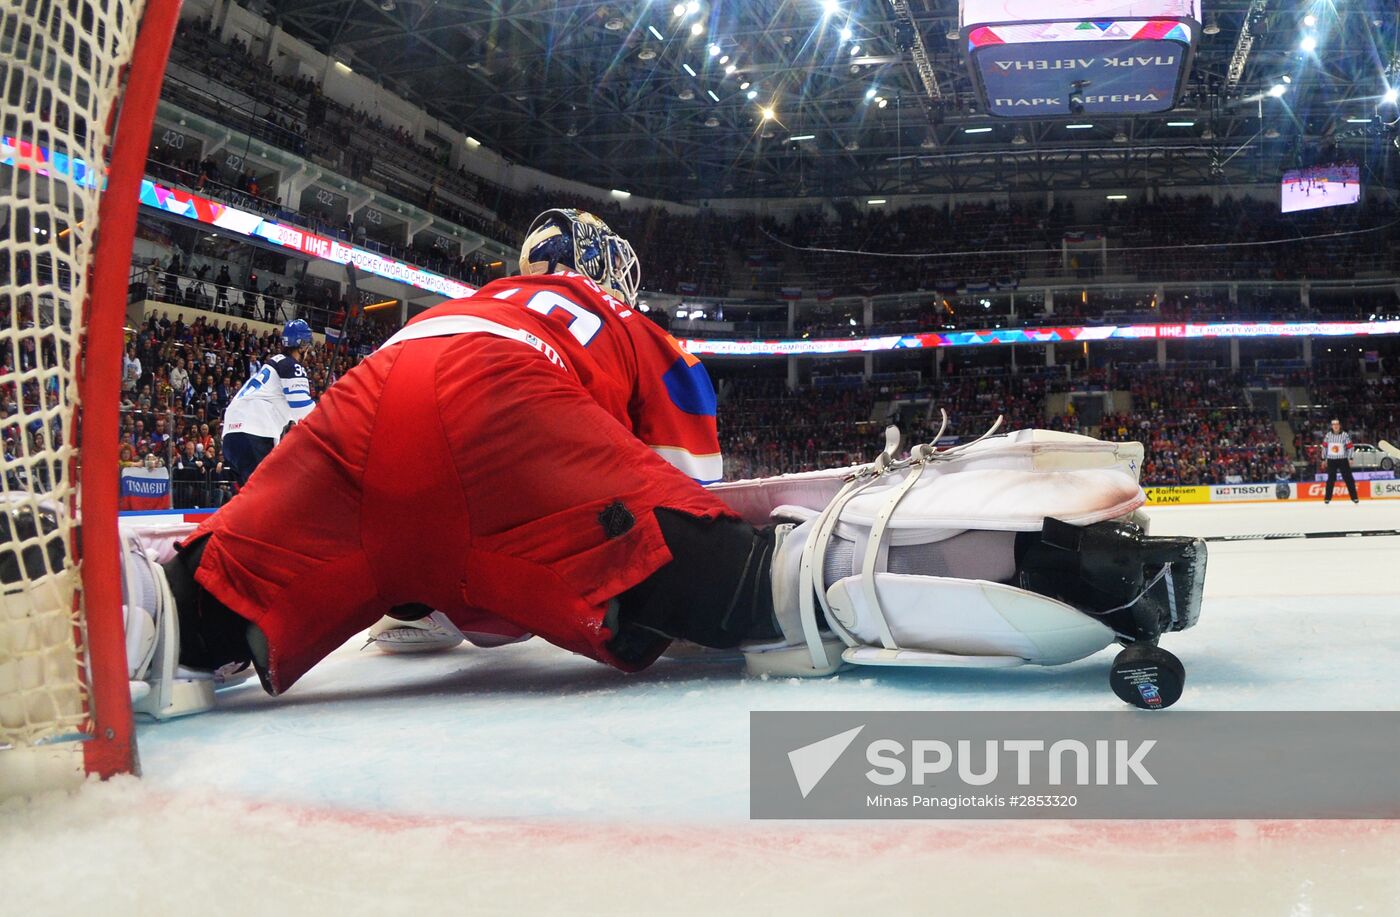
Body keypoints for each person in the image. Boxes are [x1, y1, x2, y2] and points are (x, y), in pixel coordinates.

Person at [114, 209, 1207, 720]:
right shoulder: (621, 322)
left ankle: (107, 619)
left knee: (186, 610)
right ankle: (1068, 571)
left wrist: (430, 584)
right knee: (756, 578)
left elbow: (423, 491)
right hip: (509, 416)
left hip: (360, 416)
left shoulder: (461, 302)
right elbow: (700, 484)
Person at [220, 319, 315, 485]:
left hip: (230, 436)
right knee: (268, 494)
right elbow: (305, 413)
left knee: (248, 499)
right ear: (303, 346)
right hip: (254, 435)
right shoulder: (291, 366)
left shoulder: (272, 364)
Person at [1322, 418, 1359, 504]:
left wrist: (1350, 458)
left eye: (1337, 424)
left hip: (1343, 460)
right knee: (1330, 479)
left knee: (1349, 479)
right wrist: (1323, 459)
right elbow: (1324, 447)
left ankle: (1354, 497)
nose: (1335, 426)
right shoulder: (1328, 435)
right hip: (1331, 460)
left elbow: (1350, 447)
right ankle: (1327, 498)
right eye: (1333, 424)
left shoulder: (1345, 435)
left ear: (1339, 425)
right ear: (1331, 426)